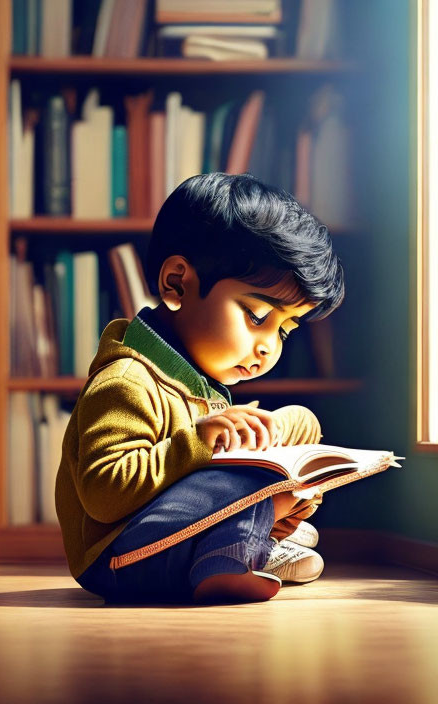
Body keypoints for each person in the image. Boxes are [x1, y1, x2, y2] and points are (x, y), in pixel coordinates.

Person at [55, 172, 345, 604]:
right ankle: (224, 560)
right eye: (258, 316)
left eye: (284, 331)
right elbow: (103, 495)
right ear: (177, 284)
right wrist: (200, 442)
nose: (268, 349)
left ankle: (249, 536)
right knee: (246, 469)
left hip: (167, 540)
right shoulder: (126, 381)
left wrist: (290, 492)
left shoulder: (195, 381)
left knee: (297, 425)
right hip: (118, 561)